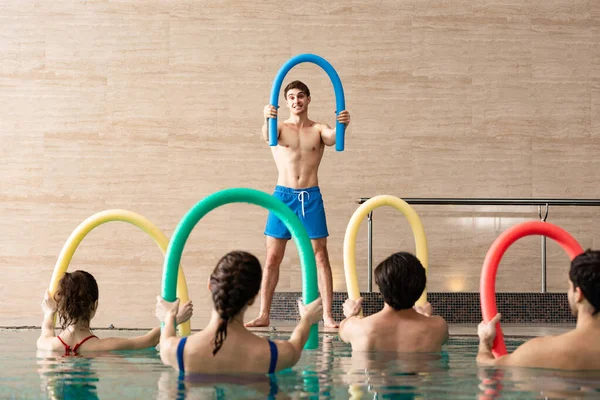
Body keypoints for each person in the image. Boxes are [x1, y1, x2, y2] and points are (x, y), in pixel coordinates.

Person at [246, 80, 351, 328]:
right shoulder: (279, 127)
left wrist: (342, 123)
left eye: (301, 96)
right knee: (272, 257)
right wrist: (266, 118)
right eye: (291, 97)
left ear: (308, 99)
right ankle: (264, 315)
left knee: (320, 256)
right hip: (282, 197)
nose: (296, 100)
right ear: (286, 102)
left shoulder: (319, 128)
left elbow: (333, 138)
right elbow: (267, 136)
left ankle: (327, 315)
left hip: (310, 197)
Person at [155, 250, 323, 375]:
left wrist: (170, 317)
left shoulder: (176, 350)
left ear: (210, 285)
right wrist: (307, 319)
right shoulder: (275, 354)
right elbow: (297, 343)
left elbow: (165, 340)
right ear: (253, 298)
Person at [477, 249, 600, 370]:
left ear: (579, 294)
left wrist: (485, 342)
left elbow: (488, 367)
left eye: (569, 286)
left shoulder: (540, 351)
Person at [37, 270, 193, 355]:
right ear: (94, 305)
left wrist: (49, 313)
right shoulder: (104, 346)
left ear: (61, 307)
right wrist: (175, 319)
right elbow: (150, 340)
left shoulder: (48, 345)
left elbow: (47, 331)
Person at [338, 252, 449, 352]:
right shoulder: (438, 326)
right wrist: (425, 315)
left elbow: (342, 332)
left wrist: (351, 314)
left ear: (381, 288)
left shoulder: (359, 328)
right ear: (421, 288)